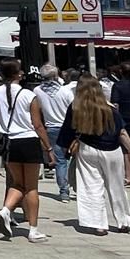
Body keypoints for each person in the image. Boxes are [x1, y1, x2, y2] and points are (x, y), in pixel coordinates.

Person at [56, 73, 130, 235]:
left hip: (88, 149)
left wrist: (64, 150)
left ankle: (98, 223)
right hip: (113, 150)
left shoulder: (76, 107)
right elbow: (122, 132)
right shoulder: (110, 108)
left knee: (91, 186)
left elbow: (67, 132)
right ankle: (123, 221)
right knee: (116, 186)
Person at [0, 61, 54, 243]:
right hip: (28, 140)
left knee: (17, 183)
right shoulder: (28, 95)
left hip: (8, 142)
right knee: (31, 187)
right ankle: (33, 230)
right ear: (17, 74)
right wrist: (48, 148)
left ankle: (6, 209)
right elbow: (37, 124)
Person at [34, 68, 75, 202]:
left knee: (60, 161)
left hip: (51, 127)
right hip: (67, 127)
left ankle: (64, 191)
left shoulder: (37, 91)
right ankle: (70, 187)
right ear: (56, 75)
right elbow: (73, 109)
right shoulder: (65, 91)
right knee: (69, 158)